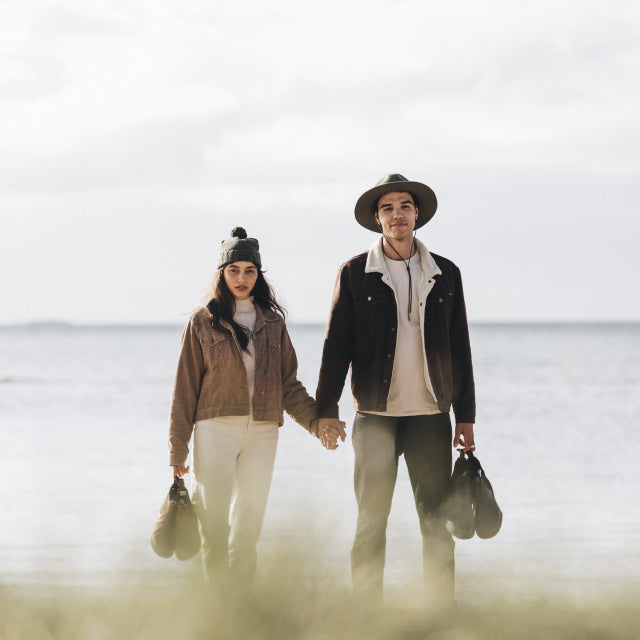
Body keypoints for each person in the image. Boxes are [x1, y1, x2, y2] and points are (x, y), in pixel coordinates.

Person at [316, 174, 476, 610]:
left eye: (404, 205)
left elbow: (460, 348)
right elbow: (336, 345)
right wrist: (324, 410)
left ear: (417, 213)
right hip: (375, 417)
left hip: (430, 416)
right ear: (377, 219)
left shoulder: (446, 273)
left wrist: (466, 417)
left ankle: (439, 617)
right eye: (387, 208)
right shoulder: (354, 273)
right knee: (371, 523)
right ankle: (367, 621)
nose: (397, 214)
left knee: (435, 523)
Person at [167, 227, 341, 591]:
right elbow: (184, 389)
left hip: (263, 431)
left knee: (248, 527)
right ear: (221, 274)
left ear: (259, 274)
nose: (242, 278)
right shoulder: (202, 321)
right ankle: (218, 608)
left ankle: (243, 607)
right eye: (234, 271)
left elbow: (289, 385)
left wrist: (317, 423)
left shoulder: (273, 322)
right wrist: (177, 448)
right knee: (214, 525)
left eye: (249, 270)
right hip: (215, 429)